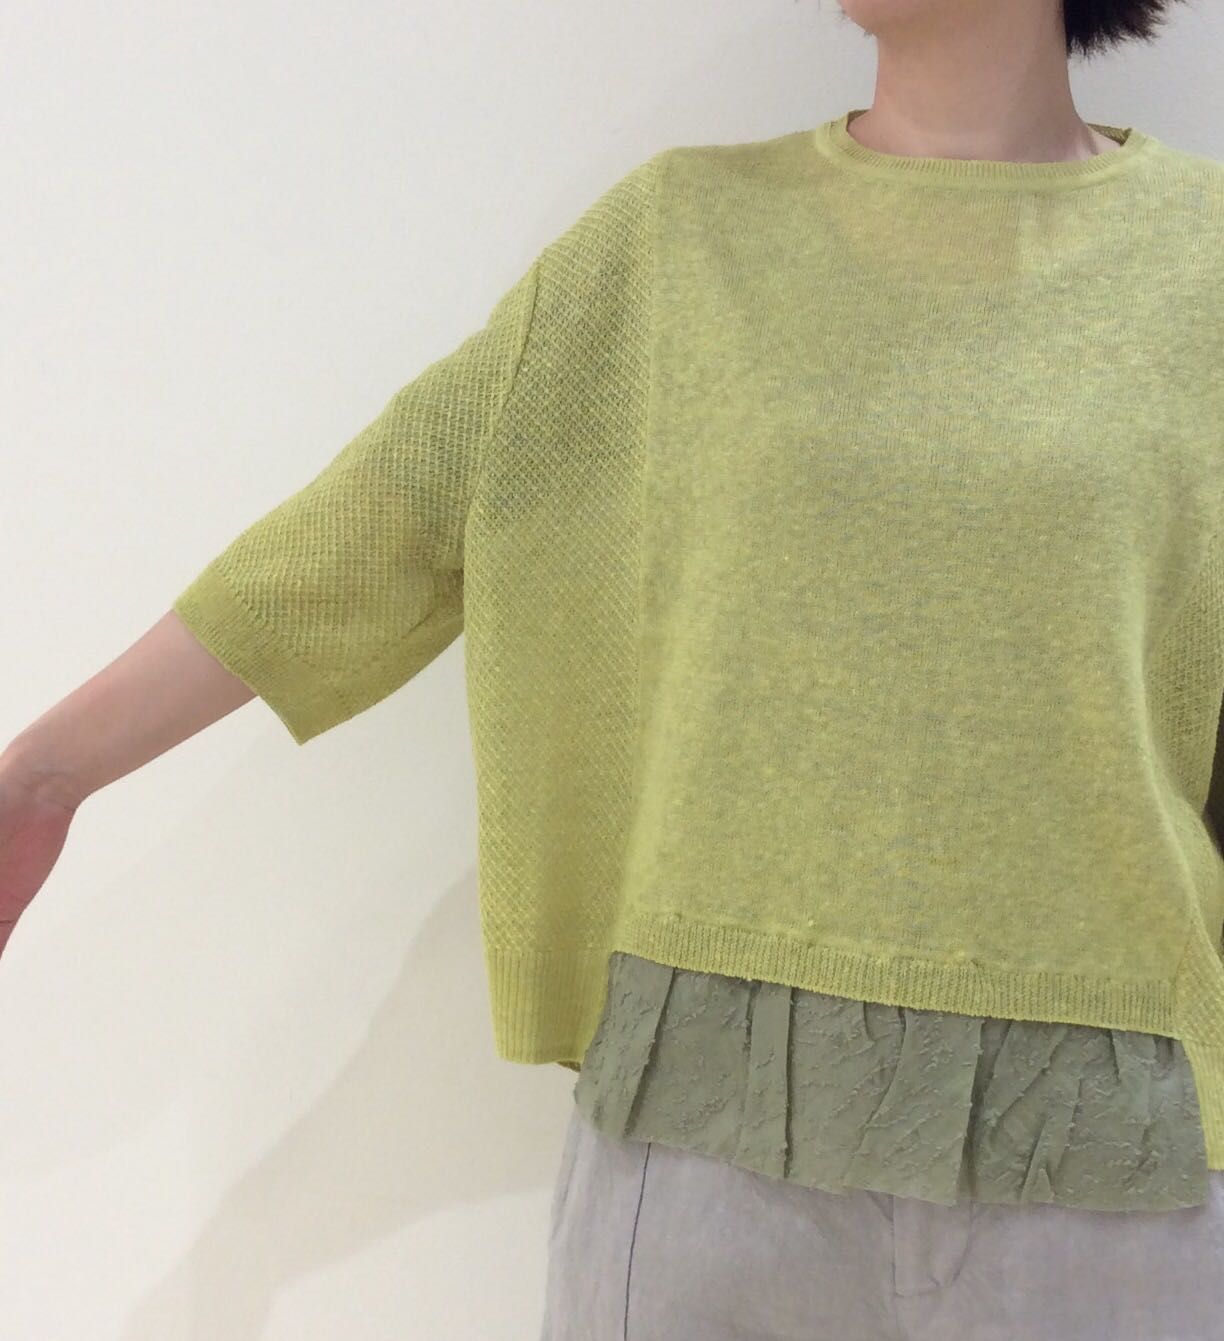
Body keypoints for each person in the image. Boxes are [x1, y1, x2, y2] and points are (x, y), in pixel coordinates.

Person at [3, 0, 1222, 1337]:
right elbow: (390, 519)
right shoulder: (678, 241)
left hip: (1112, 1159)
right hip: (708, 1143)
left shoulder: (1202, 261)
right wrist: (44, 775)